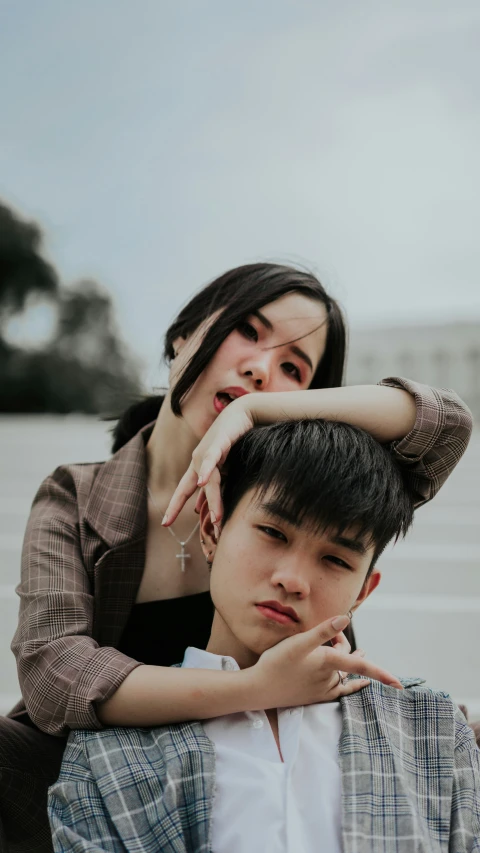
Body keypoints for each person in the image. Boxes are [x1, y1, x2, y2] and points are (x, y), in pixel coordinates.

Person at [0, 263, 473, 852]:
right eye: (247, 332)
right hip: (113, 779)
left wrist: (252, 411)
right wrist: (257, 688)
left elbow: (447, 423)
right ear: (184, 337)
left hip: (280, 748)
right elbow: (53, 673)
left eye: (293, 368)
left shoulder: (295, 478)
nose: (259, 368)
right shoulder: (77, 496)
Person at [49, 419, 480, 853]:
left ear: (364, 591)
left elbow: (448, 419)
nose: (293, 579)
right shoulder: (108, 757)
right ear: (211, 529)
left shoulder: (433, 731)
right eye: (274, 533)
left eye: (335, 559)